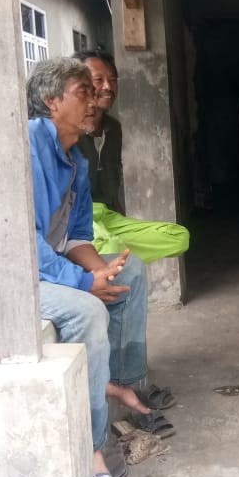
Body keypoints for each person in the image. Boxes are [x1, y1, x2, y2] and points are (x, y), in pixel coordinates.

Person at [0, 58, 155, 477]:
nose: (95, 100)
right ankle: (92, 452)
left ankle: (121, 385)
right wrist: (84, 283)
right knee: (86, 310)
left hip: (35, 264)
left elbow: (76, 237)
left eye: (94, 92)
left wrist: (101, 273)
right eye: (83, 92)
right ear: (50, 101)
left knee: (131, 274)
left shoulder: (75, 160)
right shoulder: (27, 145)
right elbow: (16, 238)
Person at [74, 51, 187, 432]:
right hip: (79, 224)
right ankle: (131, 382)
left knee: (177, 236)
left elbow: (113, 187)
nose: (107, 87)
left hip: (107, 218)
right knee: (130, 271)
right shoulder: (61, 132)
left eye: (112, 79)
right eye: (97, 80)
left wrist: (122, 228)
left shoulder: (114, 128)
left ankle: (115, 245)